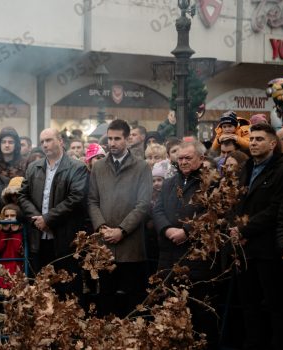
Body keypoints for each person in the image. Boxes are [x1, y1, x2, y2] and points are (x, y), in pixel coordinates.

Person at [153, 140, 220, 346]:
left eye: (188, 158)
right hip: (168, 254)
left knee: (197, 310)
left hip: (196, 257)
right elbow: (157, 210)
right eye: (180, 158)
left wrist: (187, 231)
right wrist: (167, 229)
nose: (183, 162)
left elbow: (213, 213)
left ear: (201, 159)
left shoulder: (211, 183)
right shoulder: (169, 182)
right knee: (169, 306)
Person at [229, 123, 283, 350]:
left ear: (273, 144)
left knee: (276, 305)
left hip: (268, 248)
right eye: (251, 139)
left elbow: (275, 209)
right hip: (244, 249)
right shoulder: (247, 166)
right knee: (248, 304)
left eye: (259, 139)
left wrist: (244, 230)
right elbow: (235, 201)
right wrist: (235, 229)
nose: (253, 143)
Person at [87, 119, 152, 317]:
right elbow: (92, 201)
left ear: (127, 139)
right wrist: (102, 227)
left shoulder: (141, 167)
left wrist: (122, 230)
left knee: (131, 300)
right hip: (104, 244)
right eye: (110, 138)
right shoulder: (98, 168)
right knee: (106, 298)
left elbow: (143, 204)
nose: (112, 143)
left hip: (131, 246)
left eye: (117, 139)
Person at [18, 128, 87, 296]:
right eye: (42, 142)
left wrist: (48, 219)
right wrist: (37, 219)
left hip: (65, 238)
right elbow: (22, 195)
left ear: (61, 141)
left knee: (68, 288)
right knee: (42, 290)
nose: (45, 145)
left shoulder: (77, 167)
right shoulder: (34, 167)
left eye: (49, 140)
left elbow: (76, 198)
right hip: (39, 238)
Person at [0, 203, 24, 289]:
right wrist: (4, 231)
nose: (9, 218)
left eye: (13, 215)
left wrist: (15, 232)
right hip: (5, 267)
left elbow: (18, 249)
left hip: (18, 267)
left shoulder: (22, 232)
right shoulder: (0, 231)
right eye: (6, 216)